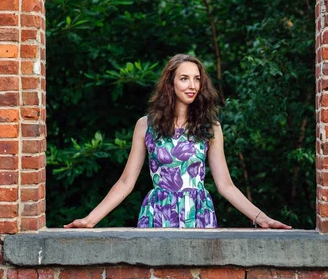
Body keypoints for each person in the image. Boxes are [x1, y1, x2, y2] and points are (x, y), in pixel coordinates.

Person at [64, 54, 292, 229]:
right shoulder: (145, 126)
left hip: (198, 212)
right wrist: (90, 219)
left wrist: (262, 219)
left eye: (196, 79)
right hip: (157, 213)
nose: (192, 85)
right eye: (184, 78)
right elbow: (126, 183)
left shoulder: (210, 127)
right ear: (170, 83)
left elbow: (225, 185)